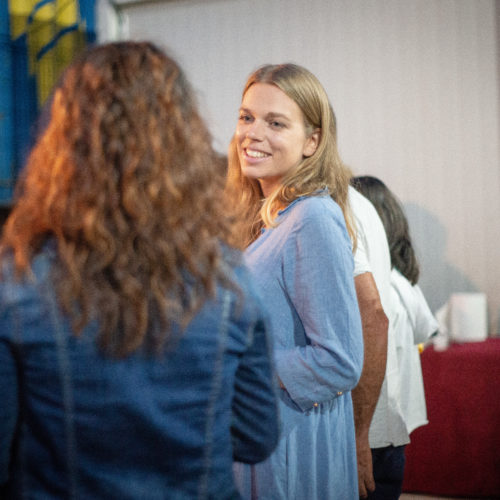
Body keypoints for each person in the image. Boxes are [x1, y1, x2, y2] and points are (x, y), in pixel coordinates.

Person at [0, 41, 280, 499]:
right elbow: (255, 437)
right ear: (183, 143)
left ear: (62, 146)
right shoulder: (228, 279)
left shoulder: (19, 283)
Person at [226, 63, 364, 499]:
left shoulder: (312, 217)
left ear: (312, 141)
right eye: (247, 117)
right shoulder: (271, 217)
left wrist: (236, 366)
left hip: (290, 450)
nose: (252, 134)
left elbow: (339, 361)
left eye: (275, 123)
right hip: (261, 433)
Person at [352, 176, 438, 499]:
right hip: (393, 422)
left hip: (376, 424)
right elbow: (425, 332)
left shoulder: (379, 287)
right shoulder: (403, 282)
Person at [348, 184, 391, 498]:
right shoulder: (357, 201)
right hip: (372, 427)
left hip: (358, 435)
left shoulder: (329, 203)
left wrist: (359, 434)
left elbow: (372, 315)